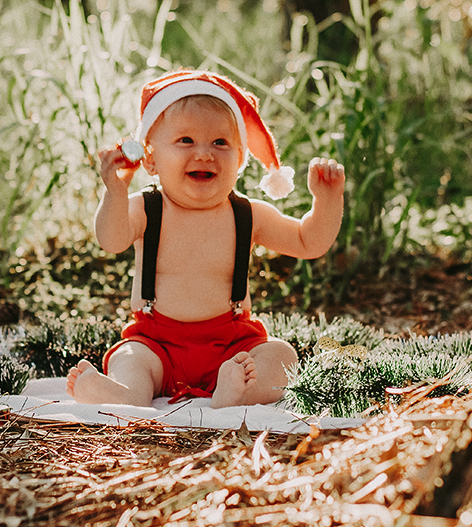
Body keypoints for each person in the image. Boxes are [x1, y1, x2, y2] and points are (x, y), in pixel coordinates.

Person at [66, 70, 346, 408]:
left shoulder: (248, 214)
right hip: (157, 342)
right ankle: (126, 394)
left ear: (240, 159)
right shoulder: (146, 208)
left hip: (232, 344)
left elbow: (307, 241)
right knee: (131, 358)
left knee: (280, 356)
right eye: (186, 141)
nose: (204, 154)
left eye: (220, 142)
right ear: (151, 159)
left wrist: (327, 200)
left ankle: (234, 393)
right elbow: (110, 239)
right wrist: (115, 193)